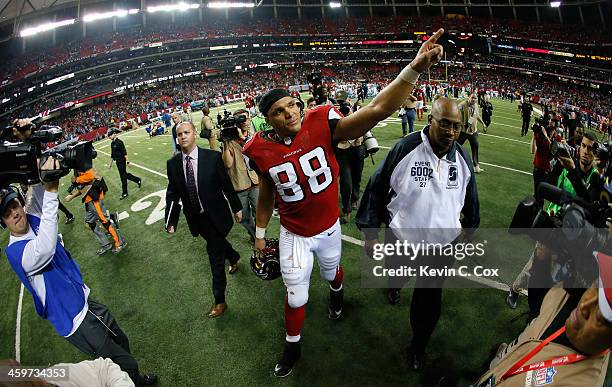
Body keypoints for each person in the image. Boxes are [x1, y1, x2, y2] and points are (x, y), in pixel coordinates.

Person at [242, 28, 447, 378]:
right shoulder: (258, 149)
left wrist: (414, 67)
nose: (290, 113)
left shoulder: (323, 121)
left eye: (293, 104)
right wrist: (261, 233)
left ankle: (337, 294)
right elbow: (266, 190)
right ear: (269, 119)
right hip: (293, 232)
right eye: (279, 111)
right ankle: (293, 345)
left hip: (328, 227)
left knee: (331, 272)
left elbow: (380, 108)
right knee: (295, 294)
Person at [1, 162, 156, 386]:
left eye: (14, 205)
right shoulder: (16, 252)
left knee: (121, 340)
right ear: (3, 223)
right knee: (121, 363)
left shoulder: (30, 216)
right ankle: (136, 381)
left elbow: (35, 186)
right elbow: (45, 247)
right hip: (75, 318)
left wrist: (29, 154)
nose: (15, 213)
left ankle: (136, 379)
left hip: (83, 299)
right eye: (7, 214)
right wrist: (53, 190)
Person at [356, 97, 480, 371]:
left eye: (456, 126)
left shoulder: (462, 158)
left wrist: (470, 231)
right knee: (396, 273)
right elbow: (376, 189)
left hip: (441, 248)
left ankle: (418, 345)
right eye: (444, 124)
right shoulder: (405, 148)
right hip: (402, 238)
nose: (451, 132)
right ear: (429, 120)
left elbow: (471, 200)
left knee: (429, 300)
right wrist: (370, 233)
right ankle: (393, 286)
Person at [476, 252, 612, 387]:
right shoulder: (565, 295)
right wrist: (542, 258)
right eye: (596, 288)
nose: (583, 306)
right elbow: (538, 304)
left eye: (602, 313)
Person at [165, 121, 243, 318]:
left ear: (194, 134)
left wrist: (237, 207)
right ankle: (233, 256)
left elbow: (226, 184)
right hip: (196, 219)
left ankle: (219, 300)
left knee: (214, 256)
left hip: (217, 215)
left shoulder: (212, 157)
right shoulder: (173, 164)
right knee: (216, 244)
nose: (182, 136)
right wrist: (171, 220)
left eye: (186, 132)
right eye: (179, 133)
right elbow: (172, 193)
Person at [65, 168, 126, 255]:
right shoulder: (77, 171)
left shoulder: (85, 168)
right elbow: (82, 188)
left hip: (94, 201)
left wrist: (77, 180)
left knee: (105, 222)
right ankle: (106, 244)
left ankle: (120, 243)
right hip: (88, 202)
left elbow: (93, 176)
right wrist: (72, 195)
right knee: (90, 223)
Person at [221, 110, 259, 242]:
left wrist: (243, 138)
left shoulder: (253, 136)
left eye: (247, 119)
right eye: (241, 120)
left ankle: (258, 238)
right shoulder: (229, 140)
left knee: (260, 214)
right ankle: (255, 235)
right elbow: (228, 164)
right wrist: (225, 143)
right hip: (239, 184)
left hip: (255, 181)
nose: (245, 122)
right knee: (243, 217)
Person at [108, 130, 142, 200]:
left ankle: (125, 193)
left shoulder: (120, 142)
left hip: (122, 161)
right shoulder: (112, 144)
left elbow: (124, 153)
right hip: (117, 162)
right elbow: (112, 155)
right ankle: (137, 179)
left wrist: (128, 162)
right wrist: (110, 164)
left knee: (123, 177)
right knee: (124, 175)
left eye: (110, 135)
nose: (109, 137)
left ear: (114, 134)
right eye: (109, 136)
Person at [458, 93, 486, 173]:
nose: (473, 99)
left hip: (473, 131)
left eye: (475, 98)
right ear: (468, 97)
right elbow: (455, 114)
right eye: (472, 98)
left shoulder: (476, 105)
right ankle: (449, 160)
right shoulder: (462, 105)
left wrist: (483, 123)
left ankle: (476, 166)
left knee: (475, 147)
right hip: (464, 131)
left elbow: (476, 115)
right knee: (456, 146)